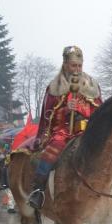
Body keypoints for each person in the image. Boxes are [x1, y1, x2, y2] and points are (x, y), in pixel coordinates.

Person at [28, 46, 102, 209]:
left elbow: (99, 112)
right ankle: (38, 190)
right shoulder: (54, 87)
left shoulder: (91, 86)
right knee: (52, 152)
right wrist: (66, 108)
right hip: (62, 131)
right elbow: (48, 116)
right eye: (73, 65)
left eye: (79, 66)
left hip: (86, 131)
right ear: (65, 65)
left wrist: (83, 109)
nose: (76, 69)